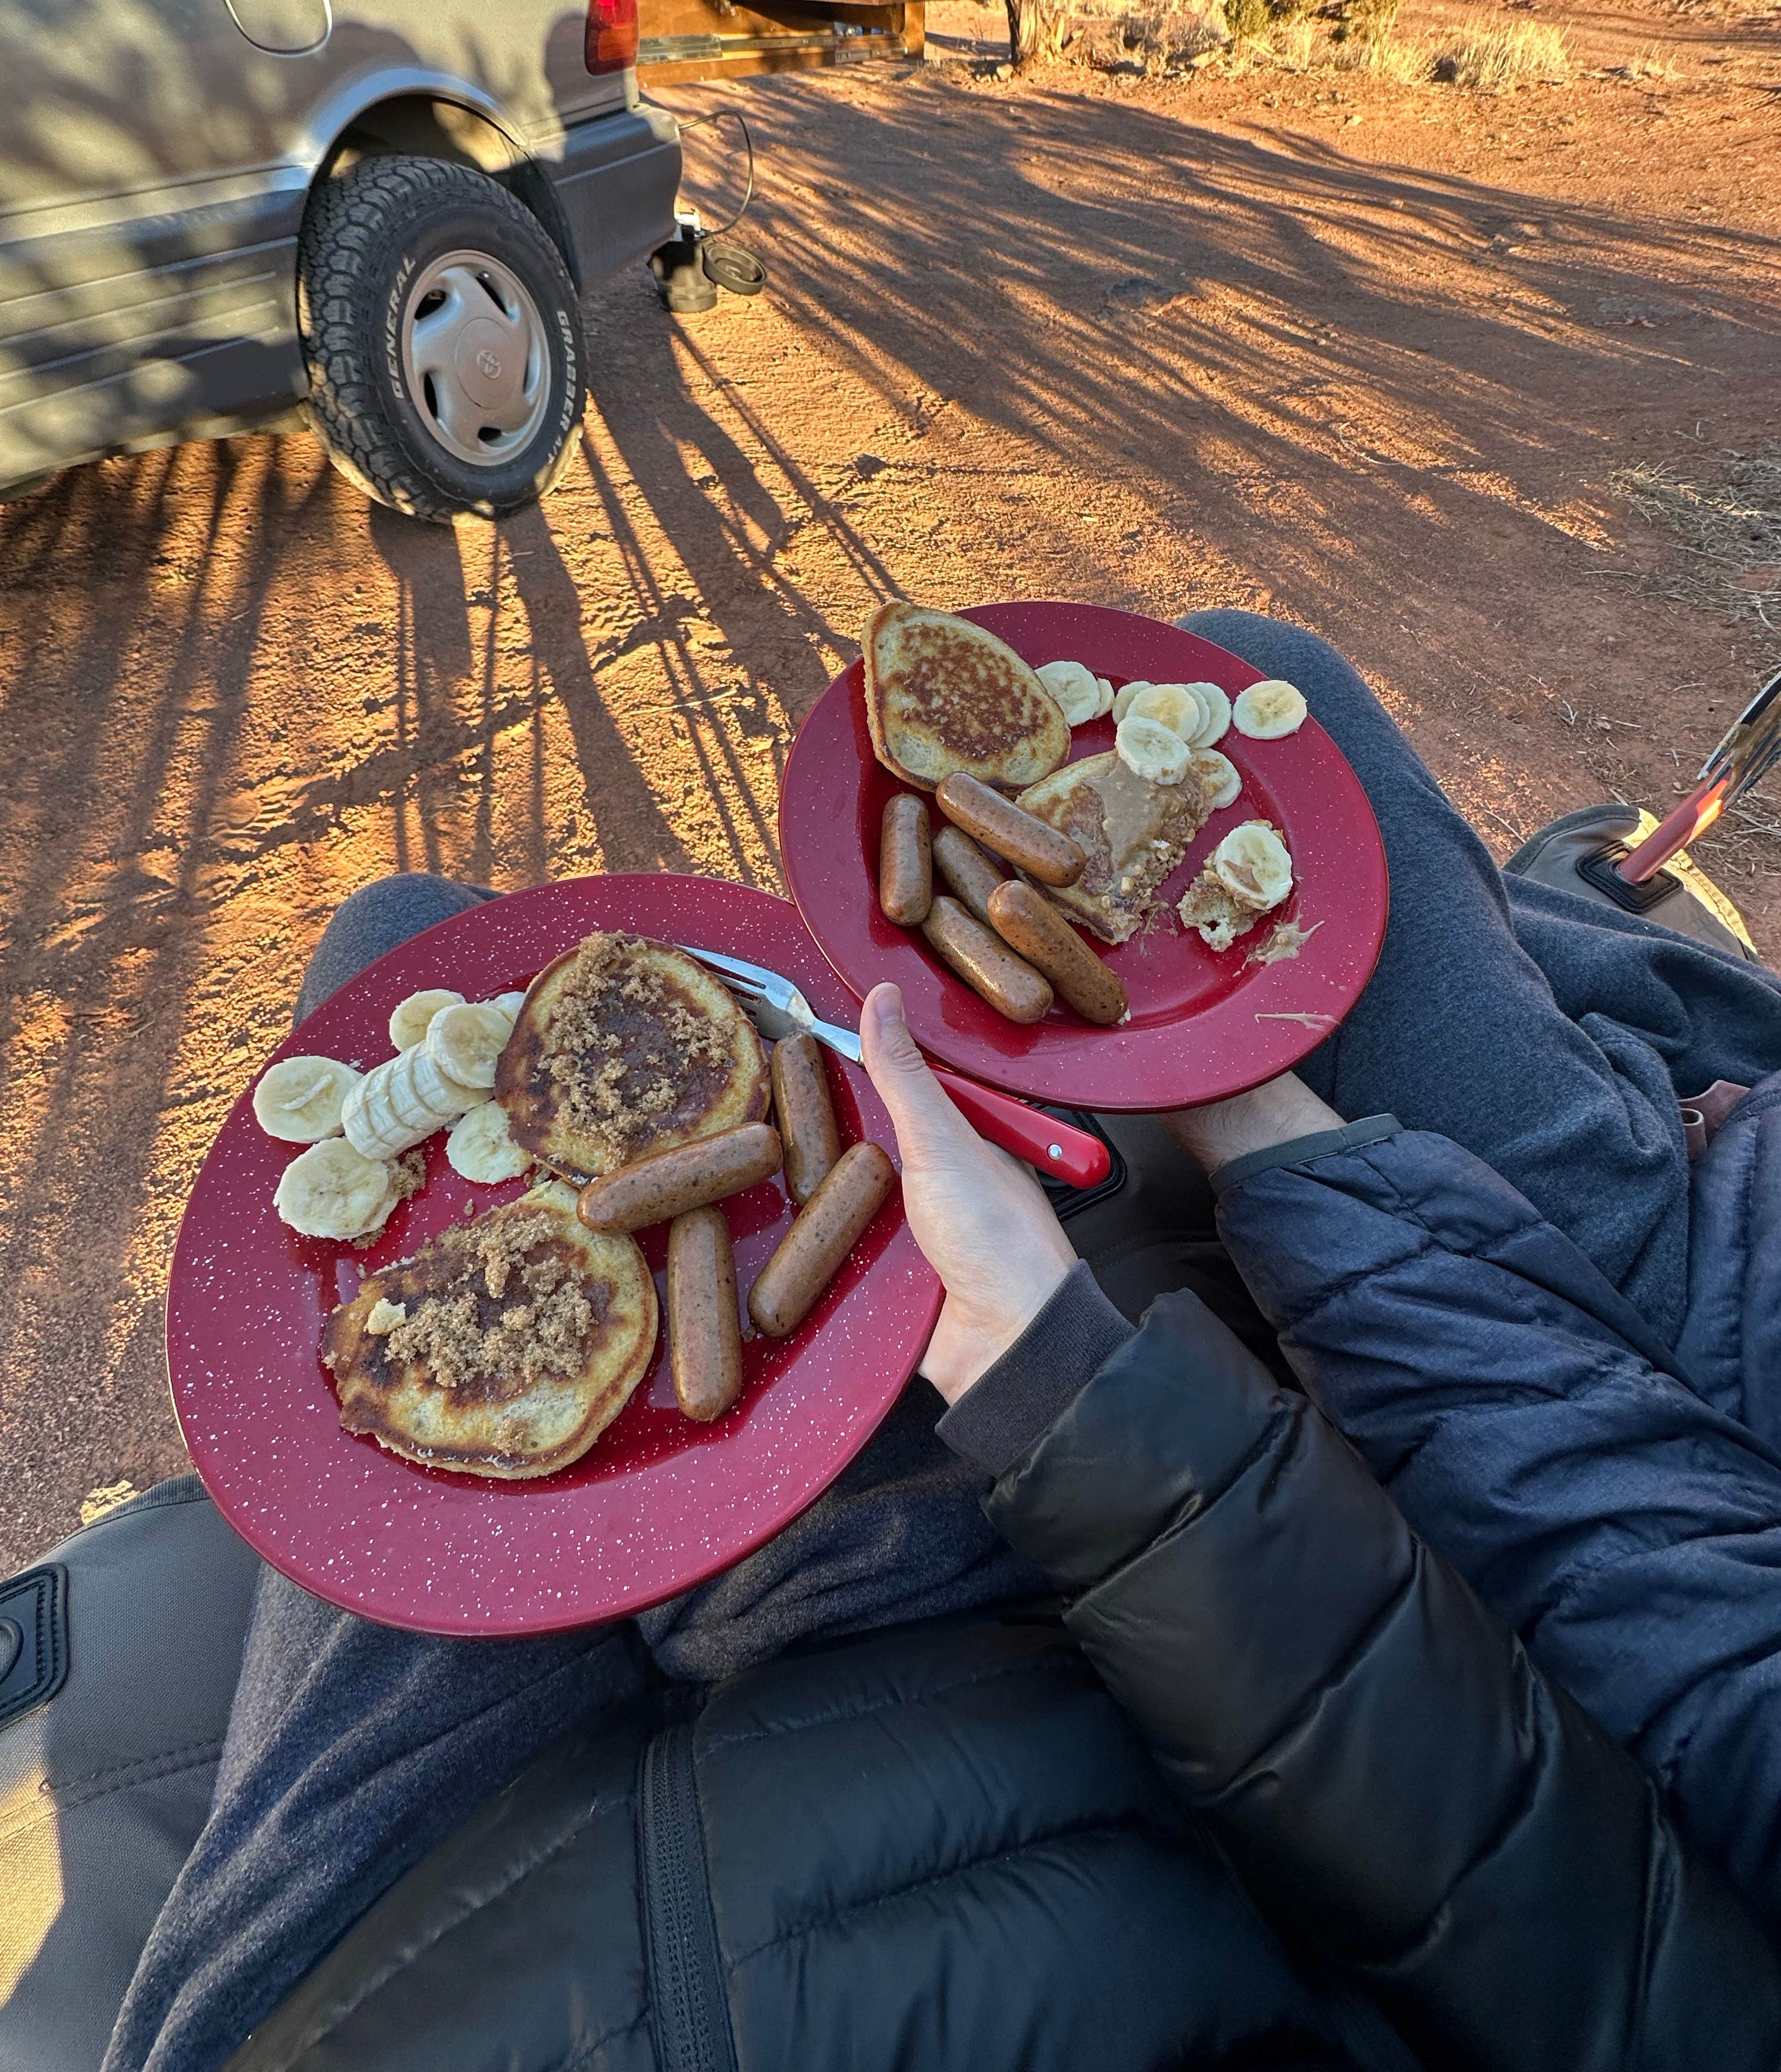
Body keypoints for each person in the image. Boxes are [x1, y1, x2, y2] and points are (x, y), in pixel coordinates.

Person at [97, 613, 1781, 2072]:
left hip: (841, 1775)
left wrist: (1088, 1367)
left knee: (404, 935)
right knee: (1260, 676)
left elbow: (1551, 1876)